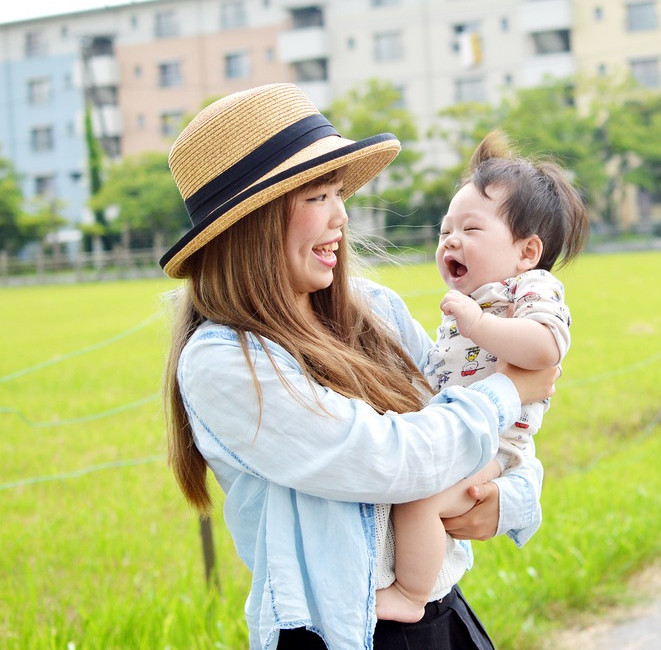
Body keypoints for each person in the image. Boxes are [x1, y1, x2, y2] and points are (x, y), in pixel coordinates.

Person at [160, 84, 554, 650]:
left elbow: (482, 425)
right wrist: (510, 389)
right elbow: (393, 458)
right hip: (340, 633)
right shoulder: (224, 361)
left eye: (338, 193)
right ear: (253, 222)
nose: (341, 217)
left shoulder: (376, 310)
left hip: (442, 616)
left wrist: (512, 498)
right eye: (317, 197)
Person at [376, 131, 589, 623]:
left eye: (471, 229)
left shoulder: (532, 287)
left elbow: (545, 348)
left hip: (497, 445)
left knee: (419, 504)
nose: (450, 240)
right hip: (470, 429)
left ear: (527, 251)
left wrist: (478, 324)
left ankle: (411, 595)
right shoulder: (477, 300)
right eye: (445, 229)